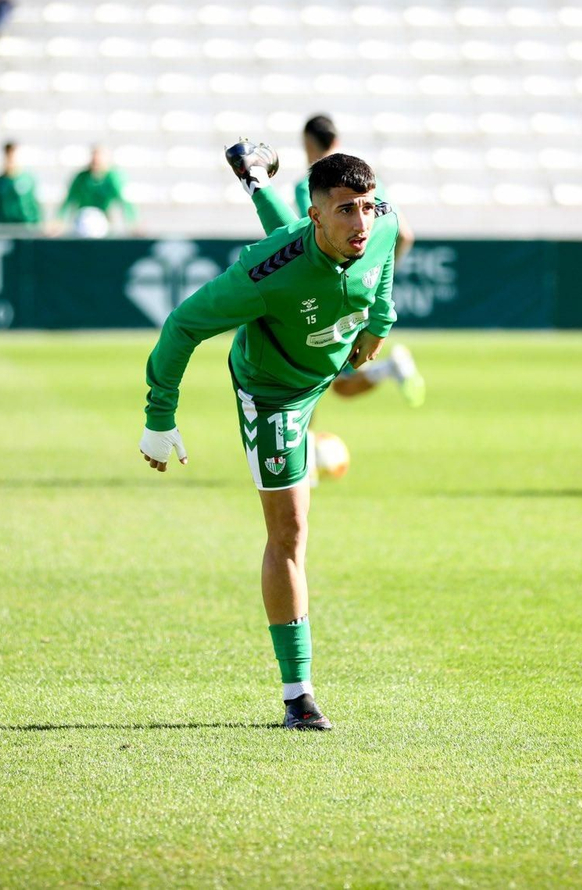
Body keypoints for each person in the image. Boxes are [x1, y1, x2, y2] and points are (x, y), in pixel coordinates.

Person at [138, 143, 402, 731]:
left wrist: (379, 322)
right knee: (290, 532)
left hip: (323, 371)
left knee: (304, 251)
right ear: (318, 212)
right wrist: (160, 417)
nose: (362, 223)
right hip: (274, 393)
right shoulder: (264, 274)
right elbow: (182, 325)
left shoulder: (381, 223)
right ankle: (298, 695)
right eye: (345, 211)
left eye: (366, 207)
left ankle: (254, 175)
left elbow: (384, 257)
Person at [292, 114, 424, 405]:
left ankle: (304, 447)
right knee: (340, 383)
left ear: (306, 144)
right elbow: (404, 234)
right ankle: (390, 368)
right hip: (362, 293)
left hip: (329, 294)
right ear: (337, 141)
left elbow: (317, 241)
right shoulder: (365, 181)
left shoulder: (310, 187)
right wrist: (375, 280)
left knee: (300, 378)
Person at [59, 144, 136, 236]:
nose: (96, 160)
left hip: (104, 220)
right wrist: (59, 220)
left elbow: (124, 201)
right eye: (94, 157)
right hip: (82, 218)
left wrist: (132, 222)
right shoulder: (82, 177)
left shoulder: (112, 178)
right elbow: (69, 199)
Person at [0, 141, 42, 227]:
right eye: (8, 155)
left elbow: (35, 206)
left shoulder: (28, 180)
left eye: (13, 155)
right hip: (4, 228)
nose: (11, 159)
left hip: (26, 228)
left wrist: (37, 225)